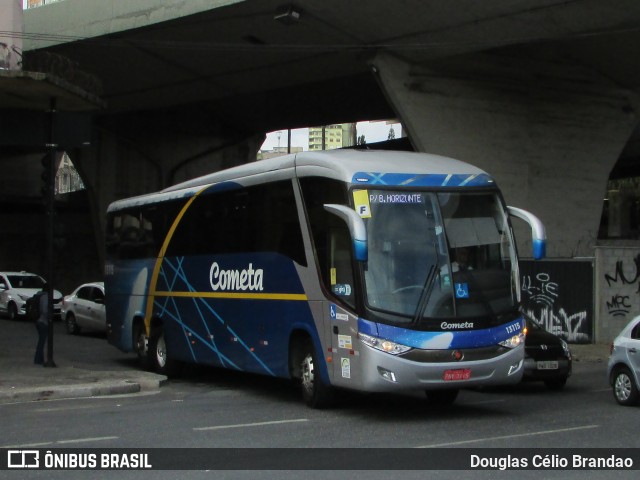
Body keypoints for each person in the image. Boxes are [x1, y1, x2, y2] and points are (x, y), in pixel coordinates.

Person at [33, 285, 49, 365]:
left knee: (41, 341)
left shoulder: (39, 295)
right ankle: (38, 359)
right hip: (43, 321)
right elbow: (45, 310)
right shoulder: (45, 297)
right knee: (42, 342)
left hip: (38, 320)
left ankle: (39, 359)